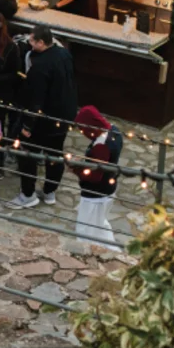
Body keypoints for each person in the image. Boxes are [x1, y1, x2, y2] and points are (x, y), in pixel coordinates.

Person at [11, 26, 77, 209]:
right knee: (54, 154)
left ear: (41, 42)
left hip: (44, 120)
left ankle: (28, 194)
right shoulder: (64, 54)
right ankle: (50, 192)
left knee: (27, 154)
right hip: (64, 117)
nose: (29, 44)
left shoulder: (40, 67)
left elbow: (36, 100)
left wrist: (27, 126)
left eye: (32, 41)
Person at [71, 105, 123, 250]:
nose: (82, 132)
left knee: (84, 231)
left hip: (95, 195)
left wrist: (75, 168)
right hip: (108, 190)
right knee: (100, 226)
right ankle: (115, 252)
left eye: (83, 129)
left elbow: (94, 177)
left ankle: (86, 259)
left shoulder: (101, 145)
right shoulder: (114, 131)